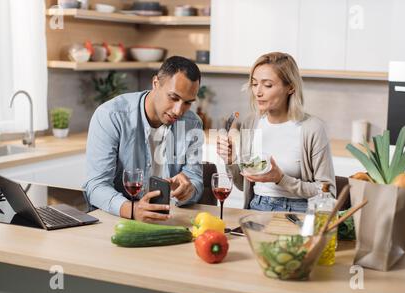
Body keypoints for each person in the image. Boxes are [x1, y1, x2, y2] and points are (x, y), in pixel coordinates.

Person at [84, 56, 204, 222]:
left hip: (168, 218)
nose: (178, 111)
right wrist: (132, 210)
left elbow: (196, 179)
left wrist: (188, 190)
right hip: (115, 220)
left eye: (187, 103)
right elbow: (95, 186)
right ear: (156, 83)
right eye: (174, 98)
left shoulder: (192, 124)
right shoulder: (111, 116)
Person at [217, 52, 336, 212]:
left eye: (267, 85)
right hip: (256, 207)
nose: (258, 92)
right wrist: (231, 160)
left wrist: (281, 179)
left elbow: (328, 192)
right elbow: (242, 185)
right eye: (254, 84)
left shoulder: (312, 128)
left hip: (297, 211)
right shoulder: (251, 123)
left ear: (291, 87)